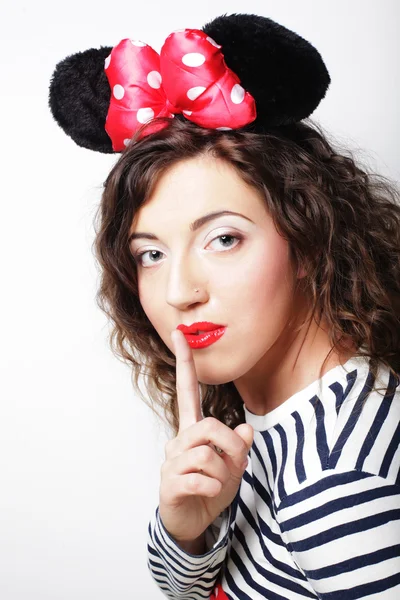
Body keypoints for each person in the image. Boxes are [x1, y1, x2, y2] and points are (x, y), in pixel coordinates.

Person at [48, 13, 400, 599]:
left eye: (224, 238)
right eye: (151, 254)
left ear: (308, 237)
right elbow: (191, 589)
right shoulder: (264, 419)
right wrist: (190, 531)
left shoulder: (341, 479)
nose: (179, 290)